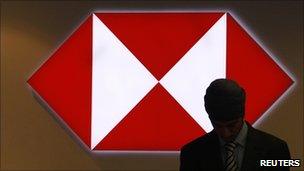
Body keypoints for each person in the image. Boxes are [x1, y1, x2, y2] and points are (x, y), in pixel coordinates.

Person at [180, 79, 290, 171]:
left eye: (231, 125)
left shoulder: (276, 150)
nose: (225, 133)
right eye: (218, 125)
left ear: (242, 116)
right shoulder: (192, 153)